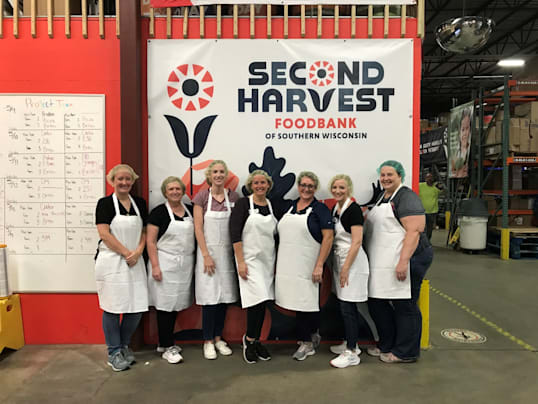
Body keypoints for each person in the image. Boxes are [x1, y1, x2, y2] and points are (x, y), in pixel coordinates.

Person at [364, 160, 433, 363]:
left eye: (390, 175)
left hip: (410, 258)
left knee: (406, 305)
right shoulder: (382, 197)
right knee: (377, 302)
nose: (385, 178)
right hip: (384, 260)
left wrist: (404, 261)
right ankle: (387, 344)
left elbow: (415, 231)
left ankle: (406, 352)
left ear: (400, 175)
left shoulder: (407, 197)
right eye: (383, 175)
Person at [275, 171, 334, 361]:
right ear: (298, 187)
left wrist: (319, 265)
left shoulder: (320, 209)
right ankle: (312, 336)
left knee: (306, 303)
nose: (306, 189)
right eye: (303, 185)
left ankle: (307, 343)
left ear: (315, 188)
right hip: (287, 266)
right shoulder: (289, 207)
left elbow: (328, 237)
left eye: (310, 186)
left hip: (308, 265)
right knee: (293, 302)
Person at [95, 164, 148, 372]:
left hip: (135, 260)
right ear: (112, 181)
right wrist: (126, 253)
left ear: (133, 181)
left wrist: (138, 252)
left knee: (135, 308)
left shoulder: (140, 204)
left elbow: (144, 231)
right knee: (112, 307)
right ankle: (114, 352)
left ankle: (124, 345)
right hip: (112, 260)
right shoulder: (105, 204)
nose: (124, 182)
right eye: (120, 179)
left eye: (128, 179)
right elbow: (104, 234)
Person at [327, 175, 376, 369]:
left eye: (342, 187)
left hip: (353, 263)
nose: (338, 191)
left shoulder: (353, 209)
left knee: (349, 308)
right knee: (344, 306)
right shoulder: (336, 209)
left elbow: (357, 241)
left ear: (349, 189)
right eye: (335, 187)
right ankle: (350, 343)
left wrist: (346, 267)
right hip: (341, 260)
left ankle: (352, 352)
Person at [193, 160, 240, 360]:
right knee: (209, 300)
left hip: (227, 257)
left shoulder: (234, 197)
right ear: (209, 176)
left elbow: (237, 226)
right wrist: (205, 255)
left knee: (224, 299)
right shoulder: (202, 197)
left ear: (226, 175)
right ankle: (208, 341)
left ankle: (219, 338)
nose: (219, 175)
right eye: (215, 172)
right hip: (208, 255)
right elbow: (198, 228)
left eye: (222, 172)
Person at [146, 176, 195, 364]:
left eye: (178, 189)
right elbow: (150, 241)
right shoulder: (158, 212)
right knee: (165, 306)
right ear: (165, 192)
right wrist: (156, 266)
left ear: (183, 191)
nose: (175, 192)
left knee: (175, 305)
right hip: (165, 263)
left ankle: (163, 342)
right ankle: (168, 347)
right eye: (171, 189)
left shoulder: (190, 210)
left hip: (184, 266)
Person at [230, 170, 277, 364]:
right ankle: (248, 340)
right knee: (255, 302)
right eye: (256, 183)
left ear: (268, 185)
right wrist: (240, 261)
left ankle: (256, 340)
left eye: (263, 183)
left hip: (268, 261)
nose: (260, 186)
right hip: (249, 261)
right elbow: (234, 234)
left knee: (264, 301)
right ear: (251, 185)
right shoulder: (243, 204)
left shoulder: (272, 205)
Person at [419, 173, 442, 241]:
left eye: (431, 177)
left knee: (429, 228)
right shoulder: (420, 185)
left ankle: (427, 241)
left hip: (432, 211)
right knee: (421, 228)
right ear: (425, 179)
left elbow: (444, 191)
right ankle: (422, 242)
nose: (429, 179)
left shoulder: (436, 188)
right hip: (421, 211)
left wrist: (439, 185)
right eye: (428, 177)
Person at [451, 108, 471, 178]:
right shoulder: (454, 153)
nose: (465, 133)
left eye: (467, 128)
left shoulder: (471, 149)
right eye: (463, 129)